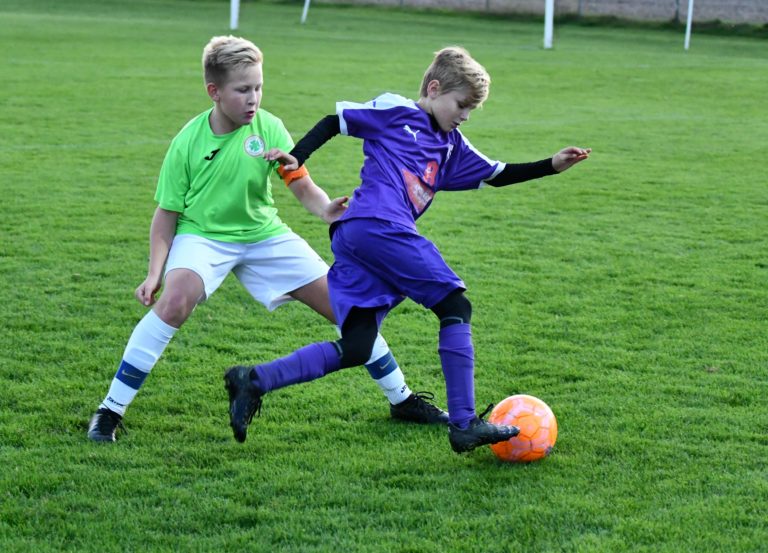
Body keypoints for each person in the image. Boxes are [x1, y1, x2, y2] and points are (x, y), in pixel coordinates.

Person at [224, 45, 591, 452]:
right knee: (455, 306)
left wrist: (551, 165)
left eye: (472, 110)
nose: (465, 115)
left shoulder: (452, 145)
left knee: (358, 346)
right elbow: (335, 121)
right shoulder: (397, 111)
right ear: (433, 89)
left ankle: (253, 380)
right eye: (461, 105)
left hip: (359, 238)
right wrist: (298, 156)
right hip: (378, 226)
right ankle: (465, 423)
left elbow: (497, 173)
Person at [86, 36, 449, 442]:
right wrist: (155, 272)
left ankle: (402, 400)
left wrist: (325, 208)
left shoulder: (270, 126)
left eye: (258, 87)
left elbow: (299, 181)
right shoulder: (187, 142)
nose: (253, 98)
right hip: (203, 236)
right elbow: (166, 215)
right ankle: (110, 410)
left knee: (348, 308)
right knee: (174, 302)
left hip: (264, 235)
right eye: (243, 89)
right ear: (214, 91)